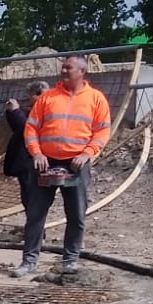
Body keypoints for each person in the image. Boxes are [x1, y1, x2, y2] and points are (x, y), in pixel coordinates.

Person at [16, 54, 110, 276]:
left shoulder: (95, 99)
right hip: (45, 162)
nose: (63, 71)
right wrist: (37, 154)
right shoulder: (48, 97)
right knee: (36, 214)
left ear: (82, 71)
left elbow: (102, 131)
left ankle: (70, 259)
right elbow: (31, 128)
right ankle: (29, 261)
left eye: (68, 68)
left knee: (76, 214)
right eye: (63, 67)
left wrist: (87, 153)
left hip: (77, 163)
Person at [3, 80, 47, 206]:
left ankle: (35, 223)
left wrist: (16, 112)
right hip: (28, 160)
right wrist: (12, 113)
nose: (28, 98)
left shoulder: (45, 111)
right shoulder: (35, 111)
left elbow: (27, 129)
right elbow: (18, 129)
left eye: (30, 94)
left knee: (32, 196)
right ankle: (33, 222)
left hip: (33, 160)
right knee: (28, 195)